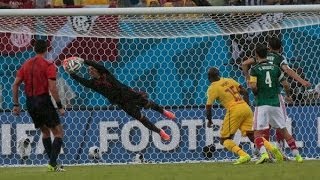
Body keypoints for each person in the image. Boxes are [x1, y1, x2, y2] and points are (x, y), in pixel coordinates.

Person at [66, 59, 175, 141]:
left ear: (96, 70)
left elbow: (98, 65)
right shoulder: (93, 84)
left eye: (91, 69)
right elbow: (81, 80)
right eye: (89, 70)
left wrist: (84, 61)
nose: (90, 71)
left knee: (148, 104)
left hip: (128, 93)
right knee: (141, 118)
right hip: (122, 103)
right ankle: (160, 132)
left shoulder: (105, 73)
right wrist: (71, 73)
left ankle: (164, 112)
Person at [242, 36, 311, 158]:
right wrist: (302, 81)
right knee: (281, 125)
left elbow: (245, 63)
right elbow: (288, 71)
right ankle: (280, 150)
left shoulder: (262, 56)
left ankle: (263, 151)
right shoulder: (280, 59)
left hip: (262, 96)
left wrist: (247, 78)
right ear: (280, 47)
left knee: (262, 126)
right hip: (276, 96)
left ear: (268, 46)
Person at [12, 39, 66, 172]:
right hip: (43, 100)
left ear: (34, 49)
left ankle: (53, 165)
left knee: (45, 132)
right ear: (47, 49)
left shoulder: (25, 65)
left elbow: (15, 85)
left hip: (30, 102)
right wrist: (59, 106)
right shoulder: (48, 65)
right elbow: (53, 88)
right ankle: (53, 164)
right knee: (58, 133)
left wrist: (16, 104)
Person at [206, 67, 255, 165]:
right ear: (219, 74)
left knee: (224, 139)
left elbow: (208, 106)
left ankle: (243, 155)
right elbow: (245, 92)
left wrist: (209, 120)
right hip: (245, 107)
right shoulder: (229, 80)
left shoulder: (213, 88)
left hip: (234, 110)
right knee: (251, 134)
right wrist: (247, 105)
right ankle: (269, 150)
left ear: (209, 77)